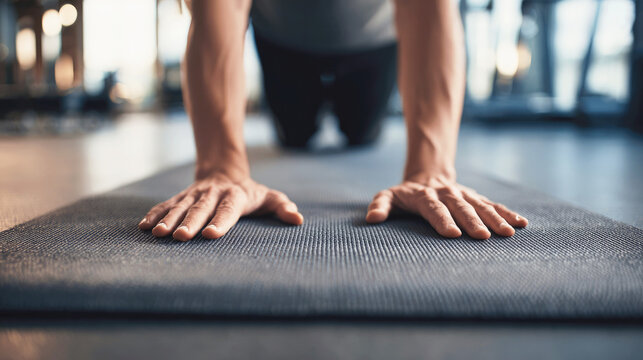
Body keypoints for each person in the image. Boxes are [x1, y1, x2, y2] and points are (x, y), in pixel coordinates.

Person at [138, 0, 528, 241]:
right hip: (285, 40)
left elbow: (427, 5)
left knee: (360, 132)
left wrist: (432, 169)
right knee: (295, 136)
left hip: (373, 40)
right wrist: (220, 166)